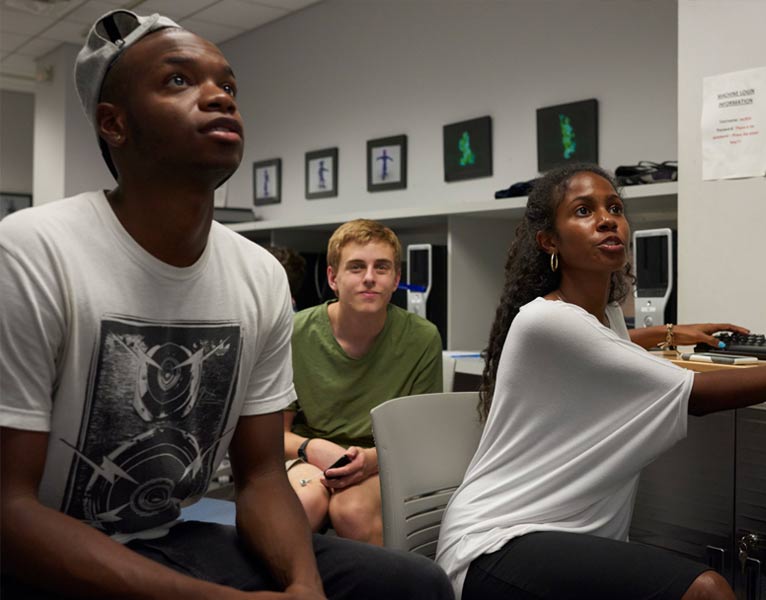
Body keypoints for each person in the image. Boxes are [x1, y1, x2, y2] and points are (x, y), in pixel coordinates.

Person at [0, 10, 452, 599]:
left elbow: (261, 476)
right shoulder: (32, 251)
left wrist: (303, 587)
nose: (218, 97)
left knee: (412, 585)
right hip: (37, 554)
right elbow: (8, 507)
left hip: (167, 536)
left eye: (228, 86)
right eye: (179, 81)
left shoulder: (258, 275)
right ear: (114, 124)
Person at [434, 163, 766, 600]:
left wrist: (669, 332)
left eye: (614, 208)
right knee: (708, 590)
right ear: (549, 241)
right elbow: (697, 395)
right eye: (584, 211)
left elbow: (609, 340)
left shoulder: (600, 319)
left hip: (558, 536)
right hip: (498, 546)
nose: (607, 220)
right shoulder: (548, 323)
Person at [283, 219, 443, 545]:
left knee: (351, 510)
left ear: (396, 278)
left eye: (381, 268)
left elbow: (419, 438)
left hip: (384, 460)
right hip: (308, 456)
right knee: (304, 503)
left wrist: (369, 460)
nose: (369, 278)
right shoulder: (295, 333)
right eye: (356, 267)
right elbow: (272, 433)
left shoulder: (422, 338)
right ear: (333, 278)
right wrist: (311, 448)